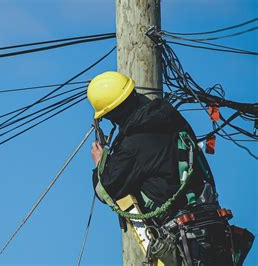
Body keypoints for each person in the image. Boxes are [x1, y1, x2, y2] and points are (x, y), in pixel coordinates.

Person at [87, 71, 253, 266]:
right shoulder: (172, 120)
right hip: (216, 231)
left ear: (112, 115)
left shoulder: (134, 143)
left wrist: (100, 163)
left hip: (186, 240)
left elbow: (107, 189)